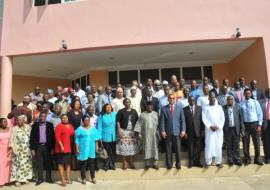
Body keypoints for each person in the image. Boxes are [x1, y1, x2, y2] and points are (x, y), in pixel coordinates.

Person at [159, 93, 186, 169]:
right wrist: (162, 131)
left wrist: (183, 130)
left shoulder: (179, 108)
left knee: (177, 149)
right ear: (168, 99)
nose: (171, 99)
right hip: (168, 132)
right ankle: (169, 164)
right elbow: (162, 121)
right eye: (170, 98)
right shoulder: (164, 108)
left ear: (175, 99)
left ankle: (178, 164)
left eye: (173, 98)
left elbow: (183, 120)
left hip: (177, 132)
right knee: (168, 149)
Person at [30, 112, 55, 185]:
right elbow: (32, 137)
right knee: (39, 164)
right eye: (41, 116)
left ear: (46, 117)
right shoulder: (35, 125)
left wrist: (52, 148)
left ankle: (48, 178)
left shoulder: (50, 125)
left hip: (48, 147)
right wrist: (32, 149)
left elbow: (53, 138)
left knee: (48, 163)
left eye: (44, 116)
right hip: (38, 147)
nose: (42, 118)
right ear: (39, 117)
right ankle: (40, 179)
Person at [240, 88, 264, 165]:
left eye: (248, 93)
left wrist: (259, 124)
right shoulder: (241, 104)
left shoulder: (255, 102)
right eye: (246, 93)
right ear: (244, 94)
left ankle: (257, 159)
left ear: (251, 94)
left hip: (255, 124)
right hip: (245, 125)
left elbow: (260, 113)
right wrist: (241, 127)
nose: (247, 94)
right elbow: (240, 116)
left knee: (256, 142)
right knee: (245, 143)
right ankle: (247, 159)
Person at [202, 93, 225, 168]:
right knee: (209, 145)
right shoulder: (205, 107)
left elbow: (222, 118)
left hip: (218, 130)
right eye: (210, 97)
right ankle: (208, 162)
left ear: (215, 98)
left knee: (218, 145)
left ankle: (218, 161)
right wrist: (210, 126)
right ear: (208, 99)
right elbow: (204, 118)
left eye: (213, 97)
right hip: (209, 130)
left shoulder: (219, 107)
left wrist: (217, 126)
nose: (212, 99)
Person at [134, 101, 159, 170]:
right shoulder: (142, 115)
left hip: (154, 134)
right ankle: (147, 163)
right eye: (148, 106)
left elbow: (159, 124)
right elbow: (138, 124)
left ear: (153, 107)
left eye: (151, 106)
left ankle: (155, 163)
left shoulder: (156, 114)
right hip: (146, 134)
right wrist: (138, 133)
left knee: (155, 147)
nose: (150, 107)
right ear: (146, 107)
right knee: (147, 147)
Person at [75, 115, 100, 184]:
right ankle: (83, 178)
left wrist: (96, 147)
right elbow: (76, 140)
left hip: (91, 149)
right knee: (83, 164)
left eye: (88, 120)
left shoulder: (93, 129)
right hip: (83, 149)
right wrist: (77, 149)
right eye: (85, 120)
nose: (87, 122)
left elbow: (96, 139)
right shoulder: (79, 129)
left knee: (91, 164)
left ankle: (93, 178)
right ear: (82, 121)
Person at [9, 115, 32, 187]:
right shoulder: (14, 128)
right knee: (17, 165)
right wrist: (12, 148)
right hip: (18, 150)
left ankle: (24, 178)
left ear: (24, 120)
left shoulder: (28, 127)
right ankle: (17, 180)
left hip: (27, 150)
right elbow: (11, 139)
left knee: (26, 164)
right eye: (18, 120)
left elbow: (31, 137)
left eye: (20, 120)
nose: (18, 121)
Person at [116, 98, 139, 170]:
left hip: (132, 132)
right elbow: (118, 122)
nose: (127, 103)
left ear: (130, 103)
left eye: (129, 102)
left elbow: (137, 122)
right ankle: (125, 162)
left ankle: (131, 161)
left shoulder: (134, 111)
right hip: (123, 131)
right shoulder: (120, 111)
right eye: (126, 102)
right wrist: (119, 131)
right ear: (124, 103)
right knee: (123, 147)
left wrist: (138, 132)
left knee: (132, 147)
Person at [223, 96, 244, 166]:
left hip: (236, 129)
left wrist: (242, 129)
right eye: (228, 100)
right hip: (227, 129)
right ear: (226, 101)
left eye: (231, 99)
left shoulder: (238, 107)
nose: (229, 101)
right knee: (229, 145)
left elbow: (241, 119)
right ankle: (230, 159)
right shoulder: (223, 108)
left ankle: (237, 159)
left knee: (236, 145)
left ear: (233, 100)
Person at [183, 96, 203, 168]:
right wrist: (184, 132)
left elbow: (201, 120)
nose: (192, 102)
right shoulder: (184, 109)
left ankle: (197, 161)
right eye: (190, 100)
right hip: (189, 132)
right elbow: (183, 122)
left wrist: (202, 131)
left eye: (193, 100)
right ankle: (191, 162)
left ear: (195, 101)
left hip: (198, 131)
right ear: (188, 101)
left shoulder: (199, 108)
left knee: (198, 147)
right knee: (191, 147)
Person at [55, 114, 75, 186]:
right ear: (61, 119)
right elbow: (57, 137)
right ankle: (63, 180)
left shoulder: (70, 125)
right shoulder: (59, 126)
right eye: (63, 118)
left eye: (66, 117)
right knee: (61, 164)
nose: (65, 119)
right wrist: (61, 146)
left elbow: (72, 134)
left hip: (68, 148)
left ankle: (68, 178)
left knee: (68, 164)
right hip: (61, 148)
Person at [97, 104, 117, 171]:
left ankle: (112, 164)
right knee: (106, 152)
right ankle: (106, 165)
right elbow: (99, 127)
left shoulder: (114, 114)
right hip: (105, 136)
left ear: (111, 108)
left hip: (113, 136)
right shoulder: (101, 116)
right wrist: (100, 137)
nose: (108, 109)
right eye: (107, 107)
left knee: (112, 152)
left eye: (109, 107)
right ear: (104, 108)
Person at [0, 118, 12, 186]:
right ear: (0, 123)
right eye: (4, 122)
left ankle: (8, 180)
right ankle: (1, 181)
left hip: (8, 150)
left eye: (6, 122)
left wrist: (11, 148)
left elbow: (12, 139)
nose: (5, 123)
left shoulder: (10, 129)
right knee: (1, 166)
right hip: (0, 151)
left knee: (8, 166)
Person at [260, 89, 270, 164]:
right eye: (267, 92)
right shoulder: (261, 102)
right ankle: (267, 157)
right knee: (266, 142)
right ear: (265, 94)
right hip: (265, 124)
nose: (268, 93)